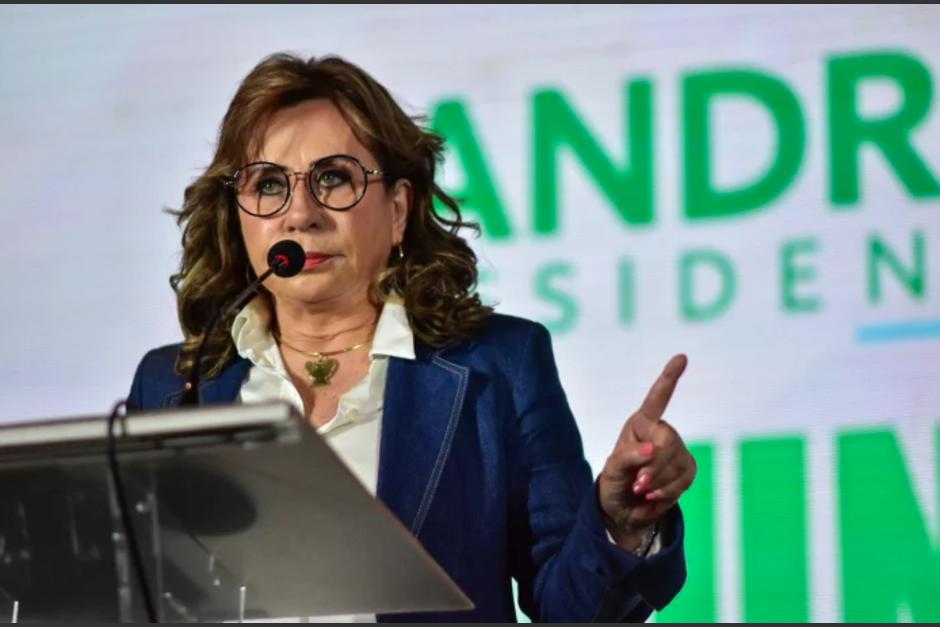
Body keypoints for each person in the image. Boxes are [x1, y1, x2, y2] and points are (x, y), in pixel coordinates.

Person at [127, 52, 696, 622]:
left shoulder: (497, 368)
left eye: (333, 178)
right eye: (269, 184)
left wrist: (621, 523)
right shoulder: (172, 386)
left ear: (398, 209)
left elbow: (573, 611)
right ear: (237, 215)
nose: (300, 214)